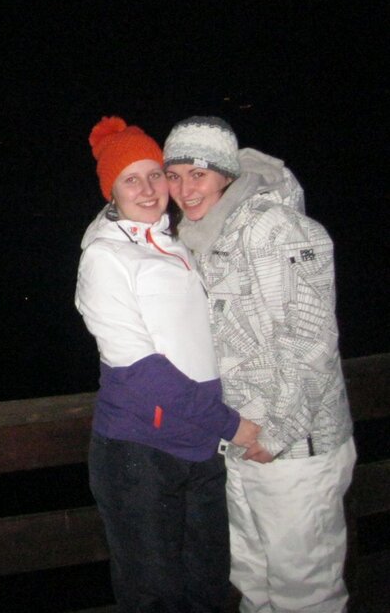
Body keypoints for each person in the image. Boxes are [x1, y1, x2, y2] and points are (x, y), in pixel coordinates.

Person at [163, 116, 355, 613]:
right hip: (239, 441)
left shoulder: (277, 230)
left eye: (198, 174)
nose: (185, 190)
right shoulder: (203, 235)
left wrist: (279, 433)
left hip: (294, 448)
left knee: (304, 589)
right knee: (253, 580)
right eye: (174, 175)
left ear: (226, 174)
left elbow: (311, 340)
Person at [76, 116, 260, 613]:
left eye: (155, 174)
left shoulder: (175, 243)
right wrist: (232, 425)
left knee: (208, 587)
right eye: (130, 179)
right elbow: (139, 370)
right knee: (153, 596)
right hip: (140, 453)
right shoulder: (105, 258)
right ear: (111, 191)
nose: (148, 188)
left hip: (200, 447)